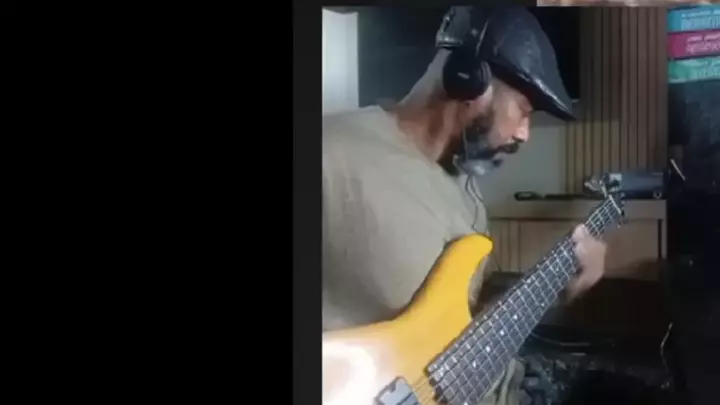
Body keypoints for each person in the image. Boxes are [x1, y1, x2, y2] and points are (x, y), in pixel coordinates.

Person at [322, 6, 608, 404]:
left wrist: (558, 285)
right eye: (523, 111)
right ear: (469, 79)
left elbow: (462, 321)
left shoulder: (465, 190)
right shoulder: (331, 151)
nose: (524, 134)